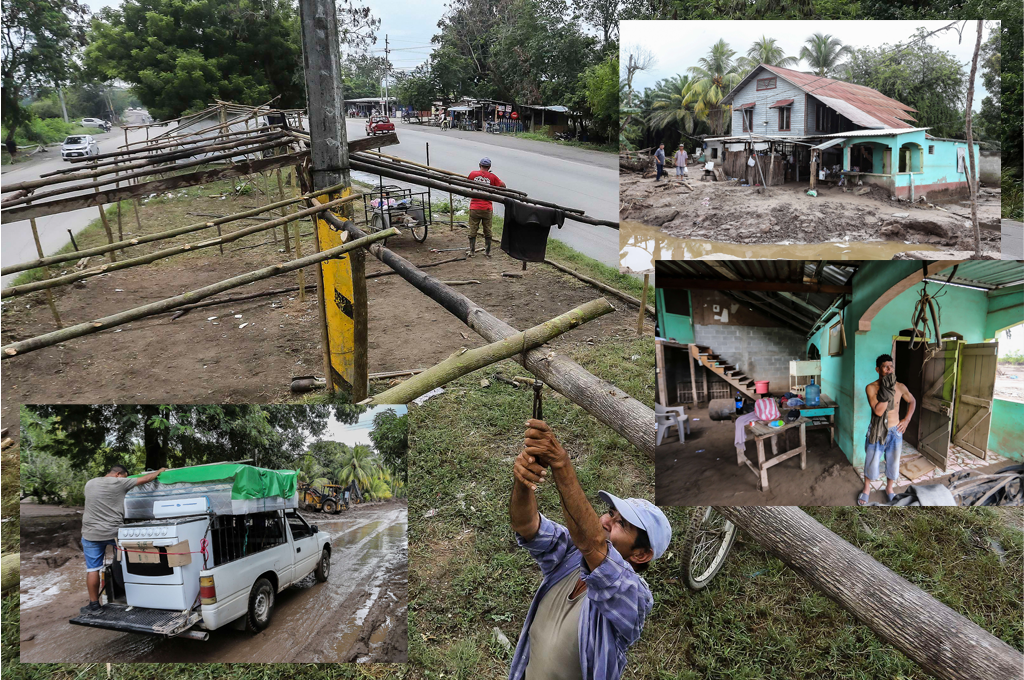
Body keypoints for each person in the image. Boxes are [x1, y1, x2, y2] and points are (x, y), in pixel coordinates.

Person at [509, 420, 671, 680]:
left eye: (622, 524)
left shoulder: (633, 597)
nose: (606, 521)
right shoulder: (573, 555)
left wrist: (561, 463)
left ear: (640, 555)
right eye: (610, 513)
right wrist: (523, 481)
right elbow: (527, 525)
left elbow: (593, 544)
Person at [81, 464, 167, 611]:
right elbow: (146, 478)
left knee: (93, 569)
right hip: (114, 533)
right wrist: (159, 471)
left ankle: (94, 605)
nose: (125, 479)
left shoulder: (90, 483)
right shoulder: (119, 482)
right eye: (125, 476)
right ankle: (136, 597)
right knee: (127, 563)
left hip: (91, 534)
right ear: (119, 474)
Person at [860, 354, 916, 505]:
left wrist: (906, 420)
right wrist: (887, 389)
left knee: (893, 462)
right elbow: (878, 411)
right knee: (871, 462)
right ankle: (866, 489)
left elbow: (912, 401)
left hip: (895, 431)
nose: (889, 370)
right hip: (877, 431)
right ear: (878, 369)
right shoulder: (871, 388)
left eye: (891, 367)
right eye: (885, 367)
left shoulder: (900, 387)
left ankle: (889, 489)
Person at [466, 157, 506, 258]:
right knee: (487, 230)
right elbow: (503, 185)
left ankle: (472, 252)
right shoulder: (492, 177)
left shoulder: (473, 174)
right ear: (489, 167)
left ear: (480, 165)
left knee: (473, 229)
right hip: (487, 208)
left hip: (474, 207)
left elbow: (467, 182)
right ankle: (487, 252)